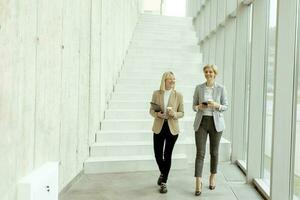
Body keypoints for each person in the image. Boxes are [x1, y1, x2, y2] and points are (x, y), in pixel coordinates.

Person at [192, 64, 228, 196]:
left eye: (211, 72)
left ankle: (213, 176)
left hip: (216, 123)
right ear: (204, 73)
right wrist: (199, 106)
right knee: (200, 153)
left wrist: (216, 105)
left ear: (215, 74)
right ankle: (198, 181)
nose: (208, 74)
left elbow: (226, 106)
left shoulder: (221, 88)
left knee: (214, 152)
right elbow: (193, 106)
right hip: (201, 122)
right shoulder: (199, 88)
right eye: (206, 72)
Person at [149, 71, 184, 193]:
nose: (172, 81)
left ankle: (164, 182)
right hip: (159, 126)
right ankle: (163, 173)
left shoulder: (178, 95)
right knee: (158, 155)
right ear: (164, 81)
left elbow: (182, 113)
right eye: (170, 79)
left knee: (167, 155)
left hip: (172, 128)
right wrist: (157, 114)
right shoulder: (156, 93)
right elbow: (151, 111)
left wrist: (174, 114)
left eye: (174, 79)